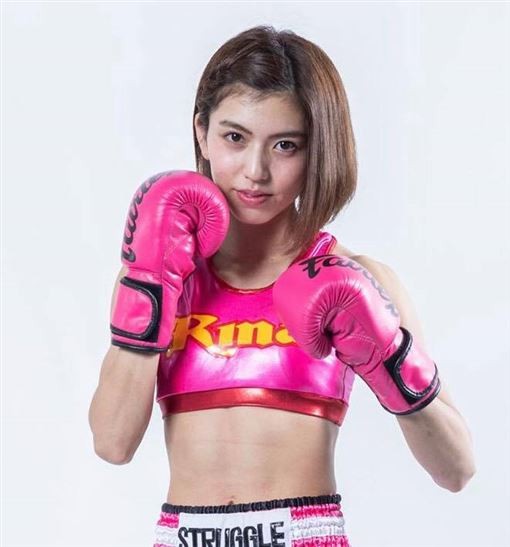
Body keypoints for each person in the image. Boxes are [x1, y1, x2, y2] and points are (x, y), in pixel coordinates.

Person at [88, 25, 476, 547]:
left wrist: (389, 358)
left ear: (316, 150)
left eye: (285, 145)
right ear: (201, 131)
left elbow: (456, 469)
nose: (256, 171)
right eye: (235, 137)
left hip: (305, 535)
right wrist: (151, 287)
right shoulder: (158, 276)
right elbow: (112, 443)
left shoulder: (358, 278)